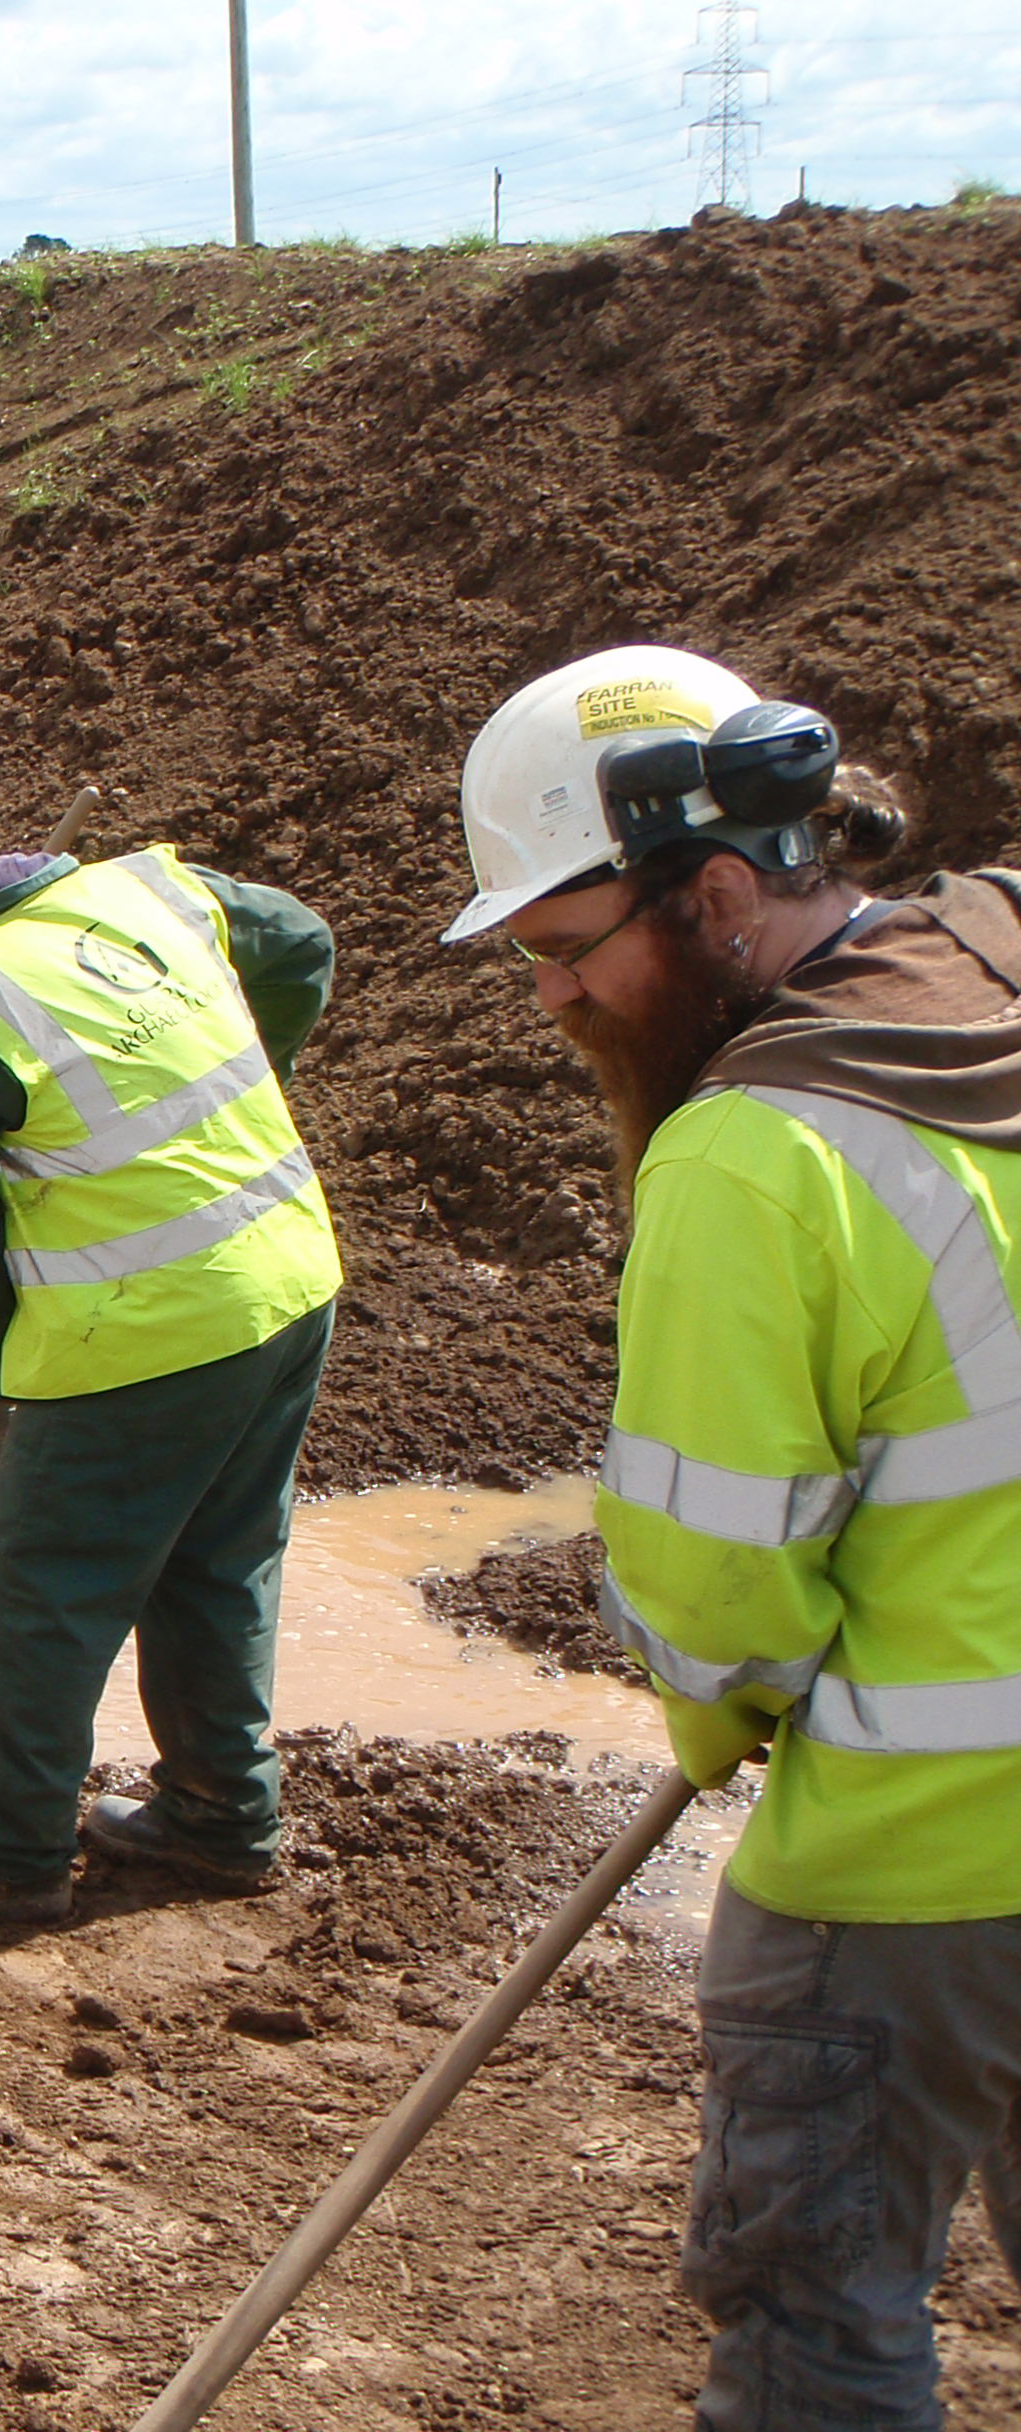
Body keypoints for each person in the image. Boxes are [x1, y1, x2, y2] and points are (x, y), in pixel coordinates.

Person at [445, 643, 1019, 2432]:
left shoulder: (747, 1155)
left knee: (811, 2328)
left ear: (706, 893)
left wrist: (721, 1711)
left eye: (561, 947)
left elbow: (708, 1577)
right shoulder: (996, 952)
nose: (550, 998)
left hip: (916, 1853)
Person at [0, 757, 341, 1927]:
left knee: (42, 1589)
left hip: (143, 1326)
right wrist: (252, 1088)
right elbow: (296, 944)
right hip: (287, 1279)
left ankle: (0, 1851)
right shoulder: (143, 892)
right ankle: (220, 1814)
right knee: (219, 1558)